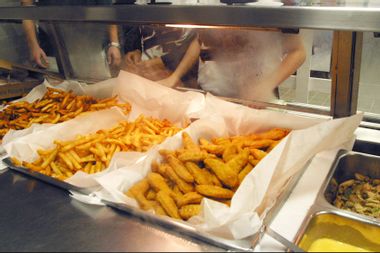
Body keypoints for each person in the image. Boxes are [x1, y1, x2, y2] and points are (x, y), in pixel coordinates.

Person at [197, 28, 306, 102]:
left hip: (259, 99)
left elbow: (298, 51)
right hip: (214, 95)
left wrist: (266, 86)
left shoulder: (277, 4)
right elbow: (201, 40)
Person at [20, 0, 121, 69]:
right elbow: (26, 7)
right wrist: (33, 45)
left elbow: (108, 11)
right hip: (53, 54)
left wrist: (114, 43)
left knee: (99, 96)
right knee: (56, 97)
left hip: (93, 51)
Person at [121, 25, 201, 88]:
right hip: (149, 75)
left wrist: (173, 76)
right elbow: (139, 27)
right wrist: (136, 49)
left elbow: (197, 40)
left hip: (181, 76)